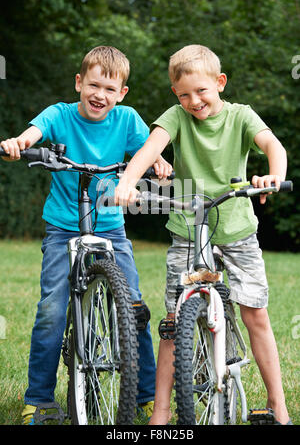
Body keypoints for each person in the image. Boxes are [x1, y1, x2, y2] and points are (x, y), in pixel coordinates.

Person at [114, 44, 292, 425]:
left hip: (237, 229)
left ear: (220, 83)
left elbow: (272, 146)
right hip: (188, 228)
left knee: (255, 313)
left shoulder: (241, 116)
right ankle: (160, 413)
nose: (194, 101)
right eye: (184, 94)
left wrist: (273, 176)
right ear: (176, 96)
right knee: (173, 322)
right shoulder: (176, 117)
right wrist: (129, 181)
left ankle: (278, 406)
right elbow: (149, 150)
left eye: (202, 91)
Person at [1, 45, 172, 425]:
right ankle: (39, 398)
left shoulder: (127, 120)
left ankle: (144, 394)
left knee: (134, 308)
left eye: (110, 89)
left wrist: (157, 161)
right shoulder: (60, 115)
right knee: (51, 310)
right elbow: (33, 133)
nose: (101, 95)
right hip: (63, 227)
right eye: (94, 85)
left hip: (110, 227)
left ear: (122, 93)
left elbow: (148, 150)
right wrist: (19, 144)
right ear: (79, 83)